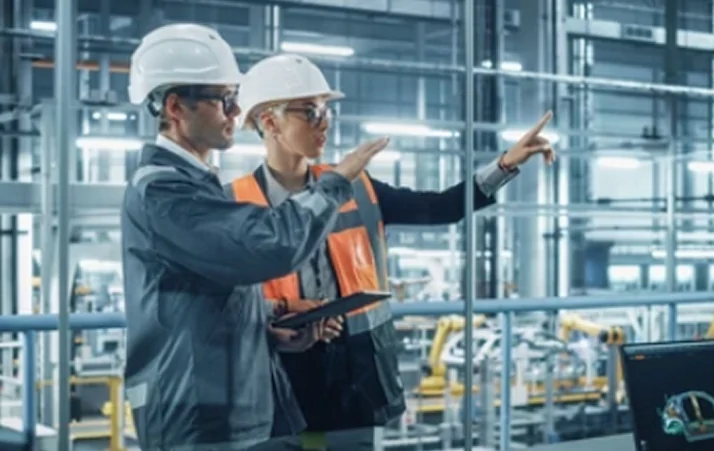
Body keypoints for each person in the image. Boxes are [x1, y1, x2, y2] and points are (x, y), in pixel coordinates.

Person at [226, 53, 556, 450]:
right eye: (311, 112)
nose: (325, 122)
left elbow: (441, 207)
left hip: (355, 377)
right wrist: (276, 319)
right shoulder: (233, 204)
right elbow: (218, 303)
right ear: (269, 121)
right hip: (276, 377)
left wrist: (504, 165)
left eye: (327, 111)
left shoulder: (358, 188)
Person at [121, 24, 389, 451]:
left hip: (230, 404)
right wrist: (338, 182)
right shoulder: (164, 192)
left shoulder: (195, 184)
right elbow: (270, 246)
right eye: (225, 100)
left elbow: (201, 298)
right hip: (197, 415)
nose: (235, 112)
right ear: (176, 106)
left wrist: (273, 316)